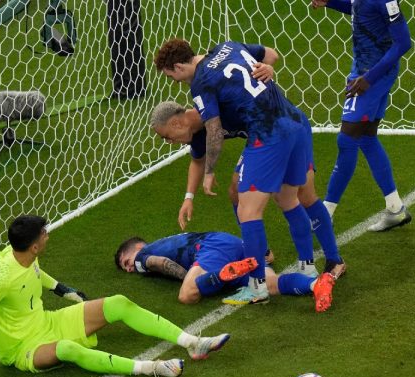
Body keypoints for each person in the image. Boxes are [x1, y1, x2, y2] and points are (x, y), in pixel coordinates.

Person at [0, 215, 230, 377]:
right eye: (44, 233)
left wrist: (62, 289)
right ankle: (150, 368)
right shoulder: (0, 279)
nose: (48, 234)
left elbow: (34, 272)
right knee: (69, 349)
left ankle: (193, 343)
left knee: (118, 303)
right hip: (23, 347)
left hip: (46, 321)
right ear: (34, 245)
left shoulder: (17, 253)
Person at [154, 39, 335, 305]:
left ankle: (257, 284)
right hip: (292, 120)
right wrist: (267, 69)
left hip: (268, 133)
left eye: (172, 76)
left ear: (179, 67)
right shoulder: (228, 47)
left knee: (249, 210)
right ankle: (308, 267)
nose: (175, 82)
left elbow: (214, 131)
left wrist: (210, 173)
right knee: (285, 198)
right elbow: (272, 54)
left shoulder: (202, 87)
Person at [149, 102, 346, 279]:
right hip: (261, 139)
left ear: (176, 123)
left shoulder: (215, 104)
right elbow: (197, 161)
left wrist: (267, 66)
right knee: (236, 191)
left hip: (288, 126)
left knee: (302, 195)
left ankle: (333, 260)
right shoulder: (198, 132)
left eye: (166, 137)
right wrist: (188, 198)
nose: (169, 142)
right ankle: (261, 253)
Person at [310, 0, 413, 231]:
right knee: (366, 138)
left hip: (372, 73)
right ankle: (395, 209)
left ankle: (325, 214)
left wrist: (369, 78)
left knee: (346, 139)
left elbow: (404, 42)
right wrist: (331, 2)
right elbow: (359, 8)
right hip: (367, 69)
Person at [114, 232, 335, 309]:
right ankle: (316, 284)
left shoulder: (145, 255)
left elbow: (158, 262)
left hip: (211, 249)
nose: (130, 269)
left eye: (127, 262)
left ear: (138, 248)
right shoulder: (171, 239)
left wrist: (190, 281)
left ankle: (221, 275)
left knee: (187, 295)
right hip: (232, 243)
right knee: (270, 284)